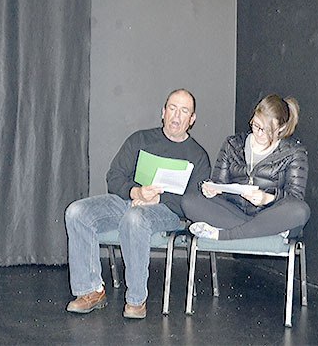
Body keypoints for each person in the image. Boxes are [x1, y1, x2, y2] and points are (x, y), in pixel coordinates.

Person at [65, 89, 210, 319]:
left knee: (136, 219)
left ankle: (136, 300)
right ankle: (90, 290)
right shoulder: (140, 139)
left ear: (192, 120)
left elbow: (196, 202)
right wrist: (136, 191)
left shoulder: (198, 155)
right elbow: (114, 177)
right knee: (77, 212)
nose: (176, 116)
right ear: (163, 112)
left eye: (184, 111)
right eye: (172, 108)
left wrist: (158, 199)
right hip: (129, 200)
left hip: (169, 212)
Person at [183, 94, 310, 240]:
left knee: (301, 210)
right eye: (256, 126)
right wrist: (212, 189)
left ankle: (227, 235)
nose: (259, 133)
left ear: (281, 128)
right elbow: (220, 184)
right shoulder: (233, 144)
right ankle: (263, 234)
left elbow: (294, 197)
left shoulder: (294, 152)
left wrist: (267, 198)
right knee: (189, 201)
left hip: (271, 215)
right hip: (237, 212)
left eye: (267, 130)